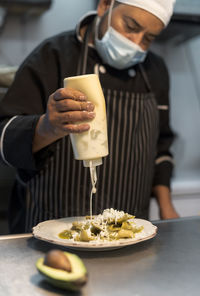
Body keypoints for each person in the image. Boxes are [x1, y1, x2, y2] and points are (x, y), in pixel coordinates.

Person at [0, 0, 179, 233]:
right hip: (55, 228)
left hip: (127, 232)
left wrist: (167, 210)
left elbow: (161, 147)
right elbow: (4, 135)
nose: (136, 44)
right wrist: (47, 127)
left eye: (148, 38)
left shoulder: (155, 71)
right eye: (131, 26)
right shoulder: (53, 55)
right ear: (105, 5)